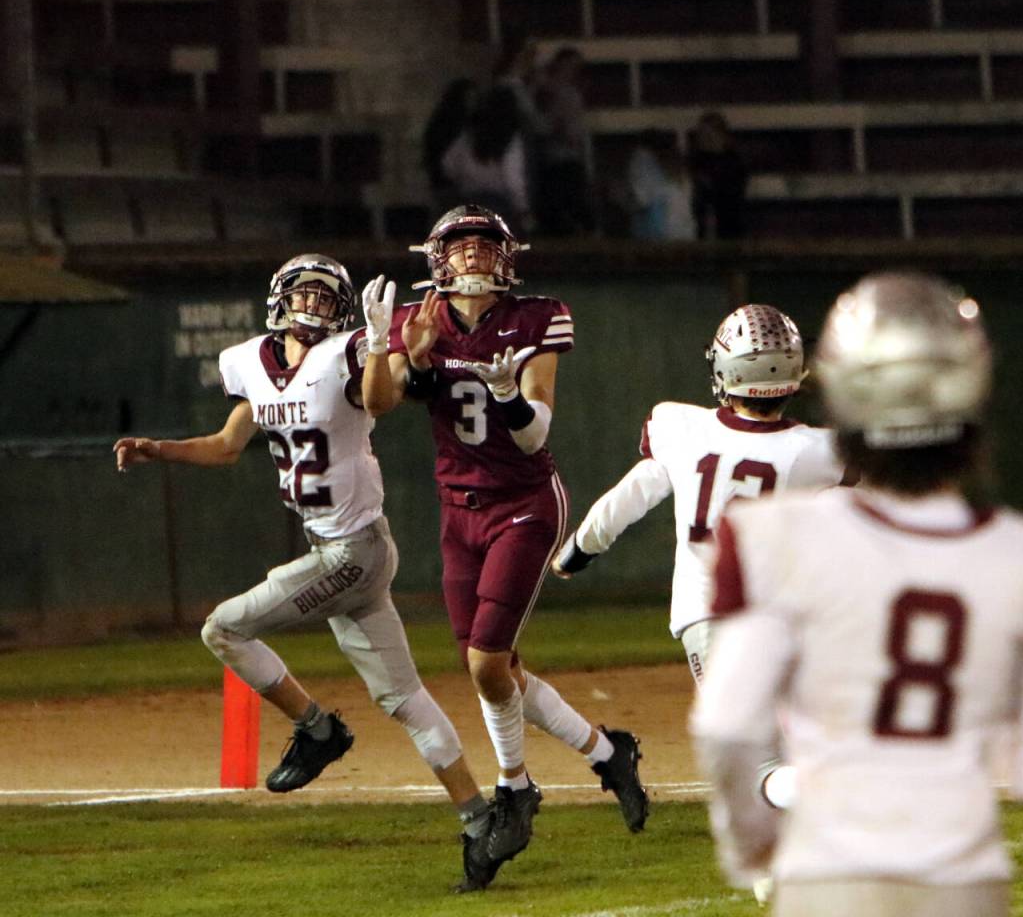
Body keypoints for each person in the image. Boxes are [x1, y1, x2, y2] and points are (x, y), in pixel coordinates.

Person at [113, 253, 501, 893]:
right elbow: (229, 444)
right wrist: (159, 449)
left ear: (342, 312)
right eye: (307, 295)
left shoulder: (345, 355)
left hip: (350, 551)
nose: (315, 308)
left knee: (223, 629)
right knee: (404, 698)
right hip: (346, 547)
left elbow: (379, 398)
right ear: (279, 298)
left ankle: (318, 729)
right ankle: (479, 818)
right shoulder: (249, 363)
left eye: (327, 300)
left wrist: (384, 344)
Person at [691, 272, 1022, 917]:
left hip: (829, 873)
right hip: (963, 878)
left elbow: (729, 725)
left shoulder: (769, 537)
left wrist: (754, 851)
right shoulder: (1010, 551)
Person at [360, 204, 649, 873]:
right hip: (457, 508)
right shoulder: (418, 319)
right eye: (458, 247)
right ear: (436, 258)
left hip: (523, 502)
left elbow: (533, 433)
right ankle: (610, 755)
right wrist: (389, 348)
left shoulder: (536, 317)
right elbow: (378, 403)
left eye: (483, 246)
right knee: (499, 671)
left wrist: (506, 393)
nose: (471, 258)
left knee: (487, 664)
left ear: (506, 256)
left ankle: (515, 789)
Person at [553, 303, 845, 692]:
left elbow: (633, 494)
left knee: (743, 742)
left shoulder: (682, 427)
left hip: (706, 612)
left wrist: (580, 547)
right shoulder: (818, 451)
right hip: (782, 613)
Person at [440, 85, 532, 232]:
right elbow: (513, 178)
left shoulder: (469, 136)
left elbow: (447, 165)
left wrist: (463, 180)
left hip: (467, 204)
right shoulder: (509, 138)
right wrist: (523, 208)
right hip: (499, 207)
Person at [534, 47, 596, 237]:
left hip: (570, 156)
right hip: (559, 158)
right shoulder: (552, 91)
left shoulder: (571, 93)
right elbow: (548, 125)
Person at [626, 128, 697, 241]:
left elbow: (641, 200)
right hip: (679, 235)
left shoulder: (665, 187)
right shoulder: (672, 185)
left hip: (670, 237)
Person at [688, 111, 748, 241]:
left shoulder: (733, 162)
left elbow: (732, 194)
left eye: (708, 133)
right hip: (699, 225)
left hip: (728, 225)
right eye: (701, 133)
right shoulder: (696, 160)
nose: (703, 138)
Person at [421, 77, 479, 207]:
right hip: (451, 185)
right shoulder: (455, 125)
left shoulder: (441, 121)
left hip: (446, 183)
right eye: (470, 98)